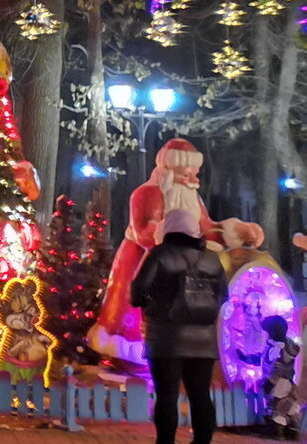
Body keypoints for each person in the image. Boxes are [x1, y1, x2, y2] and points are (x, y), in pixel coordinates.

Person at [90, 138, 261, 369]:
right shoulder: (145, 194)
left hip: (181, 271)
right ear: (169, 170)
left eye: (195, 172)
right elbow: (143, 234)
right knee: (131, 317)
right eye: (187, 172)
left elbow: (205, 229)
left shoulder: (192, 197)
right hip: (139, 261)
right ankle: (129, 358)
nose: (193, 179)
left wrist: (235, 233)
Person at [131, 207, 228, 444]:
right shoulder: (211, 258)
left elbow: (137, 292)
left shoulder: (160, 254)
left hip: (166, 338)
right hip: (204, 341)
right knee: (201, 399)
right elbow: (225, 294)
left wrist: (153, 306)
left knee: (167, 396)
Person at [260, 315, 301, 440]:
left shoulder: (276, 348)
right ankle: (292, 430)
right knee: (288, 404)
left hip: (278, 381)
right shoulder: (289, 345)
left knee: (278, 405)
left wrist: (270, 382)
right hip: (289, 380)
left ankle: (277, 431)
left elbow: (277, 366)